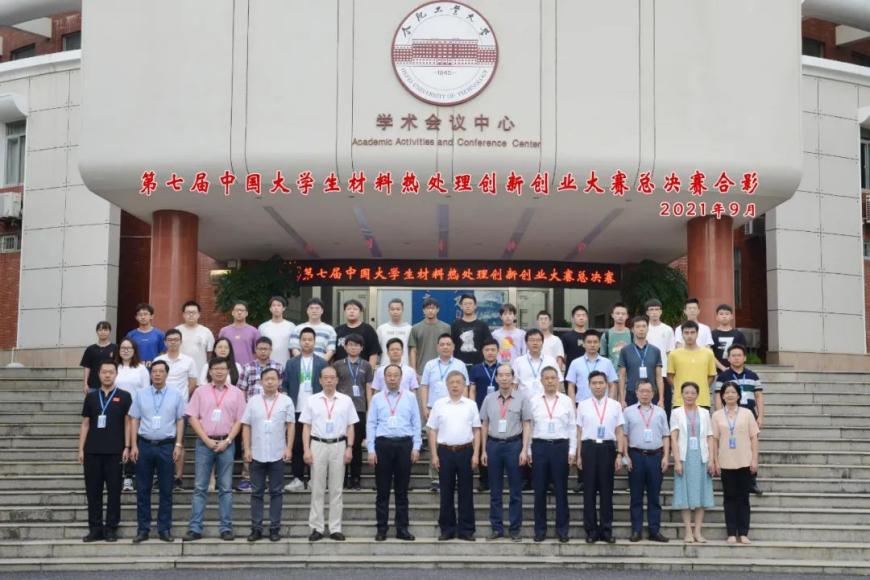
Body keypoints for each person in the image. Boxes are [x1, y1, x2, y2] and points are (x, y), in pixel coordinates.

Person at [183, 357, 246, 541]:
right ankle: (195, 528)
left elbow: (240, 420)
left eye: (223, 368)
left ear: (228, 371)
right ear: (210, 371)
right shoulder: (200, 392)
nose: (219, 371)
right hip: (204, 443)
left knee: (225, 488)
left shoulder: (236, 393)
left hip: (227, 443)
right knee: (200, 487)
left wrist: (228, 440)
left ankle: (226, 528)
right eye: (215, 368)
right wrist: (206, 439)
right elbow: (192, 417)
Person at [129, 360, 186, 543]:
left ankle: (164, 529)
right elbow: (134, 419)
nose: (157, 375)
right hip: (144, 445)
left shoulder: (176, 395)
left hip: (166, 446)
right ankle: (143, 529)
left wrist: (178, 444)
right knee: (143, 490)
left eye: (161, 371)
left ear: (167, 374)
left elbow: (180, 420)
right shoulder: (141, 394)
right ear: (150, 374)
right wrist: (133, 445)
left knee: (166, 490)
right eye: (154, 371)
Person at [301, 366, 359, 541]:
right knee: (317, 488)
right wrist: (306, 449)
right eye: (325, 377)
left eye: (332, 377)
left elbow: (351, 426)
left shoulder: (346, 400)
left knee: (336, 489)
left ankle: (335, 527)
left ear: (337, 380)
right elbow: (306, 427)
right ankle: (317, 527)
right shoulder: (312, 400)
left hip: (338, 445)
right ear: (320, 380)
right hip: (317, 444)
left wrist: (349, 447)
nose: (329, 380)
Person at [78, 360, 132, 542]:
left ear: (116, 374)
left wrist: (127, 446)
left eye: (111, 372)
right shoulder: (91, 397)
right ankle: (95, 529)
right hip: (92, 451)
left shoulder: (125, 396)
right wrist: (81, 449)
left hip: (115, 452)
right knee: (93, 492)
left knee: (114, 492)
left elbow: (128, 423)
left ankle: (110, 528)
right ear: (99, 374)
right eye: (104, 372)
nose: (107, 375)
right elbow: (85, 424)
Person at [367, 364, 422, 541]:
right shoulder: (377, 398)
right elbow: (371, 424)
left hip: (404, 445)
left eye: (395, 375)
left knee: (402, 491)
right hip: (383, 445)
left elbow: (416, 422)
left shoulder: (410, 397)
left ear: (401, 378)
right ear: (384, 378)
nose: (392, 378)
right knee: (382, 491)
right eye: (389, 375)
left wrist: (416, 446)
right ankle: (381, 528)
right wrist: (371, 449)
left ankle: (402, 529)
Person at [241, 367, 295, 542]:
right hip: (256, 453)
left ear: (279, 381)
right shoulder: (253, 401)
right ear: (261, 382)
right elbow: (246, 425)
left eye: (273, 379)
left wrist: (289, 448)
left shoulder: (286, 401)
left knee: (276, 492)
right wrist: (247, 449)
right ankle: (256, 528)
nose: (270, 382)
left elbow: (291, 425)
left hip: (277, 453)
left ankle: (274, 528)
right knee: (256, 492)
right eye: (267, 379)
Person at [427, 370, 481, 541]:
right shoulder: (439, 404)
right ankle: (447, 529)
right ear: (447, 385)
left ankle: (466, 529)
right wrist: (434, 455)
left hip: (466, 451)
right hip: (445, 451)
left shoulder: (471, 405)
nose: (455, 385)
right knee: (446, 492)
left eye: (459, 382)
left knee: (466, 492)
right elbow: (432, 430)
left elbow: (477, 430)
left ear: (464, 385)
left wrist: (476, 454)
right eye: (452, 382)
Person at [479, 363, 530, 541]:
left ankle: (515, 529)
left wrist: (524, 449)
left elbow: (526, 424)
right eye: (500, 375)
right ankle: (497, 528)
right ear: (496, 378)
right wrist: (483, 450)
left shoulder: (522, 398)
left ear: (512, 377)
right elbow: (484, 424)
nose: (504, 378)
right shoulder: (489, 399)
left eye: (507, 375)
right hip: (493, 445)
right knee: (495, 490)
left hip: (514, 445)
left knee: (515, 490)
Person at [565, 329, 617, 494]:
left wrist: (611, 403)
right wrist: (572, 406)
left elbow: (612, 384)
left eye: (595, 342)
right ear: (584, 344)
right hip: (583, 406)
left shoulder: (606, 363)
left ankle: (602, 481)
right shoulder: (576, 362)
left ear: (599, 344)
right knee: (584, 440)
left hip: (603, 406)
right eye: (589, 342)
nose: (592, 345)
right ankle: (582, 480)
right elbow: (571, 385)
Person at [576, 370, 625, 543]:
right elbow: (579, 431)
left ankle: (606, 530)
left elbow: (619, 431)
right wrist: (578, 455)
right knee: (588, 491)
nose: (598, 386)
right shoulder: (582, 405)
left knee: (606, 491)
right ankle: (591, 530)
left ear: (606, 385)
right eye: (594, 383)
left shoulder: (615, 405)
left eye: (601, 383)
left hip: (607, 448)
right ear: (589, 385)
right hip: (588, 448)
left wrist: (619, 454)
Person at [528, 366, 576, 543]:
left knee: (561, 490)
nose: (550, 381)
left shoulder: (566, 401)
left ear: (558, 381)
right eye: (546, 378)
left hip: (560, 447)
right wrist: (528, 450)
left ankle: (562, 530)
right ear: (541, 381)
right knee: (539, 490)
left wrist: (572, 450)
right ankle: (540, 530)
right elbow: (529, 426)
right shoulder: (534, 401)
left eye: (553, 378)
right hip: (539, 446)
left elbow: (572, 426)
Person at [711, 381, 760, 545]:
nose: (730, 395)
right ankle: (731, 532)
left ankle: (743, 533)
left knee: (743, 498)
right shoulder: (717, 415)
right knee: (729, 498)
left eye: (733, 392)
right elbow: (714, 440)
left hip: (744, 461)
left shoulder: (747, 413)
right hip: (725, 462)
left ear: (738, 395)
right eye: (727, 393)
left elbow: (754, 437)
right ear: (722, 396)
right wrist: (715, 461)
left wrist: (754, 459)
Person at [282, 327, 329, 492]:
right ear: (299, 342)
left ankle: (313, 478)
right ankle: (298, 478)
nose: (307, 342)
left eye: (310, 339)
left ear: (315, 342)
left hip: (316, 410)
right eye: (304, 339)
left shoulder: (322, 363)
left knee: (314, 444)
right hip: (296, 409)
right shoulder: (291, 363)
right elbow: (285, 385)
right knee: (297, 444)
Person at [420, 333, 469, 492]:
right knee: (434, 444)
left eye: (448, 344)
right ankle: (435, 478)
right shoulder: (430, 365)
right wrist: (424, 407)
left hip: (455, 409)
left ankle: (455, 478)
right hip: (434, 410)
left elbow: (465, 387)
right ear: (437, 347)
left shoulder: (460, 364)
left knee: (453, 443)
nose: (445, 347)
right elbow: (424, 386)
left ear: (454, 347)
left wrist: (464, 407)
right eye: (442, 344)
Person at [623, 381, 670, 543]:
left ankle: (654, 530)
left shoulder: (660, 412)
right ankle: (636, 530)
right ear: (636, 393)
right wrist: (625, 456)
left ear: (653, 393)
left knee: (654, 496)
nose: (644, 394)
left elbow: (665, 435)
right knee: (636, 496)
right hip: (635, 456)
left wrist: (666, 456)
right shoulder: (628, 411)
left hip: (656, 456)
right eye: (641, 391)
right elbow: (624, 435)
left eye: (648, 391)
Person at [714, 343, 765, 495]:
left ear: (744, 358)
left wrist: (760, 416)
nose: (736, 358)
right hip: (728, 416)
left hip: (748, 416)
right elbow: (718, 397)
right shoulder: (723, 376)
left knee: (750, 447)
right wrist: (719, 414)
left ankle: (752, 480)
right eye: (733, 355)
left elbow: (758, 396)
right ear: (728, 358)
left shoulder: (753, 376)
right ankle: (728, 477)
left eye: (739, 355)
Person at [237, 336, 285, 492]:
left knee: (272, 444)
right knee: (248, 445)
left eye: (266, 349)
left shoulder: (278, 367)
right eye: (260, 349)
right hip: (253, 414)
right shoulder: (247, 367)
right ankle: (247, 478)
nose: (263, 351)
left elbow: (282, 390)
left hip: (273, 414)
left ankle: (270, 479)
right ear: (255, 350)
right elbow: (241, 390)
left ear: (271, 350)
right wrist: (244, 411)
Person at [670, 382, 715, 543]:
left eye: (692, 393)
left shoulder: (704, 412)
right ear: (681, 394)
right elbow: (674, 438)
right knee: (685, 494)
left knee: (702, 493)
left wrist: (711, 459)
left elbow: (710, 436)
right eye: (686, 393)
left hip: (701, 457)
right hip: (685, 457)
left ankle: (698, 531)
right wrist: (677, 461)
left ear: (697, 394)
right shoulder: (676, 413)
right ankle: (688, 531)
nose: (689, 395)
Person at [333, 333, 374, 490]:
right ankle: (342, 478)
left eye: (357, 345)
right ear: (345, 346)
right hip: (340, 410)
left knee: (356, 446)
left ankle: (356, 479)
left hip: (359, 410)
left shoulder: (366, 366)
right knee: (341, 445)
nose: (353, 347)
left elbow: (368, 388)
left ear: (361, 348)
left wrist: (369, 408)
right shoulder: (337, 365)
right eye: (350, 344)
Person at [114, 338, 151, 492]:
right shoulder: (115, 367)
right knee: (119, 443)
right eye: (123, 348)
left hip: (135, 412)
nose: (126, 350)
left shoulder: (141, 369)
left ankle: (129, 476)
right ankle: (116, 475)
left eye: (129, 348)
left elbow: (146, 391)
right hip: (116, 410)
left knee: (132, 443)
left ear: (134, 351)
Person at [469, 338, 500, 491]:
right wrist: (472, 408)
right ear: (482, 352)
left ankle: (496, 478)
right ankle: (484, 479)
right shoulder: (476, 369)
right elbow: (472, 390)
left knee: (496, 444)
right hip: (480, 410)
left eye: (493, 349)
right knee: (481, 444)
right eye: (487, 350)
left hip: (500, 411)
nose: (490, 352)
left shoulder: (503, 369)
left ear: (498, 351)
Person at [617, 315, 664, 409]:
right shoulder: (625, 350)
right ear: (632, 330)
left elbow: (659, 377)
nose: (641, 329)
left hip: (651, 393)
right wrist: (622, 399)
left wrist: (661, 399)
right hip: (632, 393)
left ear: (648, 329)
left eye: (644, 326)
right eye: (638, 327)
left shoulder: (655, 351)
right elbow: (622, 377)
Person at [669, 321, 717, 409]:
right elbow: (670, 376)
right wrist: (680, 390)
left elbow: (711, 376)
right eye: (686, 333)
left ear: (697, 334)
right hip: (680, 401)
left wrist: (701, 388)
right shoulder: (674, 354)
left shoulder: (708, 353)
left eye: (692, 332)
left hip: (702, 400)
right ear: (682, 334)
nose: (689, 336)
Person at [645, 299, 676, 416]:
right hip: (646, 373)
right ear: (647, 312)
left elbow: (670, 352)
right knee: (647, 405)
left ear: (661, 312)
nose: (654, 312)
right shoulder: (643, 328)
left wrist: (670, 372)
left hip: (664, 373)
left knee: (665, 405)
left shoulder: (667, 329)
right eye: (651, 310)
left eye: (657, 309)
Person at [512, 329, 562, 397]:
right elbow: (514, 384)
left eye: (538, 340)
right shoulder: (518, 361)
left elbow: (557, 382)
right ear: (526, 343)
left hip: (546, 401)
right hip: (524, 401)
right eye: (532, 340)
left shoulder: (551, 361)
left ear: (542, 342)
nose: (535, 343)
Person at [409, 296, 450, 376]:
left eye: (433, 308)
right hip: (421, 371)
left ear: (438, 309)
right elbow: (413, 351)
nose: (430, 310)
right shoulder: (415, 328)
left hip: (443, 371)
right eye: (428, 308)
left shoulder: (446, 328)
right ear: (423, 310)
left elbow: (450, 349)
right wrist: (413, 371)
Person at [450, 294, 493, 369]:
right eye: (465, 304)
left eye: (470, 304)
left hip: (479, 365)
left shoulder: (483, 325)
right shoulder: (455, 325)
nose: (468, 306)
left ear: (475, 306)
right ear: (461, 306)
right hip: (459, 365)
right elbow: (451, 345)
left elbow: (489, 345)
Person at [154, 329, 197, 400]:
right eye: (170, 340)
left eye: (176, 340)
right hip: (161, 400)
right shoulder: (158, 360)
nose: (173, 342)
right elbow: (154, 381)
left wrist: (184, 396)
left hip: (181, 401)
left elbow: (193, 382)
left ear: (181, 342)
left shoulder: (189, 361)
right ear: (165, 342)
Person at [334, 299, 380, 365]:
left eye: (355, 309)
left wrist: (370, 369)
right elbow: (333, 352)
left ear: (360, 312)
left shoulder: (368, 329)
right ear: (344, 312)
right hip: (340, 369)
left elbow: (373, 353)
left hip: (362, 369)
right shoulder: (337, 330)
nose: (351, 311)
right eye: (348, 309)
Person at [290, 298, 337, 362]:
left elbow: (331, 350)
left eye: (317, 308)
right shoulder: (297, 329)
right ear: (307, 311)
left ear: (322, 311)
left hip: (321, 365)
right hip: (301, 364)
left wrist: (320, 363)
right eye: (311, 308)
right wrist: (303, 362)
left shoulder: (330, 329)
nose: (314, 311)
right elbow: (294, 348)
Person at [176, 300, 215, 376]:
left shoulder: (206, 332)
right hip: (180, 373)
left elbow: (210, 353)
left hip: (200, 372)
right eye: (188, 312)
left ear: (199, 314)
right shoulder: (177, 331)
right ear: (183, 314)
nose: (191, 315)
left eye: (194, 312)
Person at [218, 301, 260, 367]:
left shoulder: (254, 331)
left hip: (248, 368)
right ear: (232, 313)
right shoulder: (224, 331)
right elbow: (219, 351)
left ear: (246, 313)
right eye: (237, 310)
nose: (239, 312)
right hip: (228, 367)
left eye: (242, 310)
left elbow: (257, 352)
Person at [257, 296, 295, 368]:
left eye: (279, 305)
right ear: (270, 309)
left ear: (284, 308)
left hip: (286, 365)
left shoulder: (291, 326)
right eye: (273, 305)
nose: (276, 308)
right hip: (267, 366)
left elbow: (294, 348)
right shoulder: (263, 327)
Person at [80, 320, 116, 395]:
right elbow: (87, 367)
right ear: (97, 332)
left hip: (111, 385)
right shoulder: (90, 349)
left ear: (110, 332)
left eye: (105, 330)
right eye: (100, 330)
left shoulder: (115, 348)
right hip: (93, 385)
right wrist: (85, 384)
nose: (103, 332)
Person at [711, 304, 748, 371]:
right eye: (721, 314)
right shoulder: (711, 335)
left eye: (727, 314)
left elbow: (742, 354)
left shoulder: (738, 335)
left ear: (731, 316)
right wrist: (723, 368)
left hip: (735, 370)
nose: (724, 316)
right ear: (717, 317)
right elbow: (710, 355)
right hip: (716, 371)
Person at [377, 298, 412, 365]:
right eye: (392, 309)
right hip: (385, 367)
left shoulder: (409, 329)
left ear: (402, 310)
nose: (395, 312)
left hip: (404, 366)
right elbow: (377, 351)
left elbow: (412, 351)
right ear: (388, 311)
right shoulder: (381, 329)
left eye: (398, 309)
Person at [601, 302, 632, 369]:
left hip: (629, 373)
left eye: (623, 314)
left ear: (627, 316)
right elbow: (603, 358)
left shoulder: (632, 334)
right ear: (612, 315)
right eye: (617, 313)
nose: (620, 316)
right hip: (611, 373)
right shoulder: (606, 335)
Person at [561, 305, 589, 372]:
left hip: (589, 372)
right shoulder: (566, 337)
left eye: (583, 315)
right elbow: (563, 356)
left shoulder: (591, 336)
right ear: (572, 318)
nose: (581, 318)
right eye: (578, 315)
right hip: (571, 372)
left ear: (587, 318)